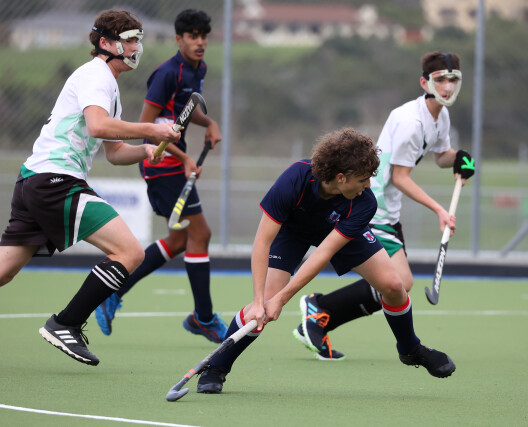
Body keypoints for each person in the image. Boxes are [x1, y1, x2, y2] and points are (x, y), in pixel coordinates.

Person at [196, 128, 456, 395]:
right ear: (341, 177)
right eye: (363, 179)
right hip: (293, 231)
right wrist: (261, 300)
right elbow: (262, 241)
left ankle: (410, 348)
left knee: (394, 284)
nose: (368, 185)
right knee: (261, 304)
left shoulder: (364, 202)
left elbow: (323, 253)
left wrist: (282, 299)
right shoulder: (295, 178)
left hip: (338, 230)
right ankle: (216, 367)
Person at [0, 9, 181, 366]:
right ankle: (65, 323)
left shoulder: (107, 85)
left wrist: (145, 151)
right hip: (55, 181)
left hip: (35, 179)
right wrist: (151, 130)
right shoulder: (97, 75)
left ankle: (65, 323)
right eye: (129, 40)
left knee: (4, 270)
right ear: (105, 43)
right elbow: (98, 126)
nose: (136, 47)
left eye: (138, 40)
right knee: (130, 252)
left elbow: (114, 153)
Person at [292, 52, 475, 361]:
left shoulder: (439, 115)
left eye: (453, 79)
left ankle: (321, 313)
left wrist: (458, 158)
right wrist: (439, 210)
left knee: (398, 283)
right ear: (425, 83)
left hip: (388, 210)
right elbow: (400, 177)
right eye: (440, 80)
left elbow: (441, 155)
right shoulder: (411, 122)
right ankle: (320, 310)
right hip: (371, 205)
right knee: (399, 283)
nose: (447, 86)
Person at [94, 9, 228, 343]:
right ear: (179, 39)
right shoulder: (167, 73)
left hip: (173, 163)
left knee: (180, 240)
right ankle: (204, 318)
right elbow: (146, 127)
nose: (199, 42)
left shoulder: (198, 69)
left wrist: (209, 123)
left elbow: (185, 110)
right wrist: (184, 157)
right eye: (192, 36)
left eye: (203, 36)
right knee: (201, 234)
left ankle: (113, 291)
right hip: (161, 164)